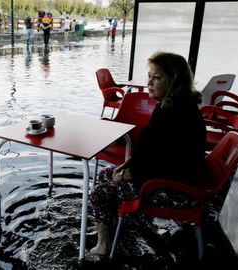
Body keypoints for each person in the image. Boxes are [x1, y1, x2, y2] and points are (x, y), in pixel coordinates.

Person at [89, 51, 207, 256]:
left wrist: (127, 174)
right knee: (104, 175)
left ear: (174, 81)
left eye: (157, 77)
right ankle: (114, 222)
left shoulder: (174, 114)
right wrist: (127, 165)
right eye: (149, 76)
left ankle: (103, 245)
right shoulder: (172, 105)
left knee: (99, 193)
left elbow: (159, 162)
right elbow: (154, 152)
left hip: (175, 190)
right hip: (168, 176)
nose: (149, 82)